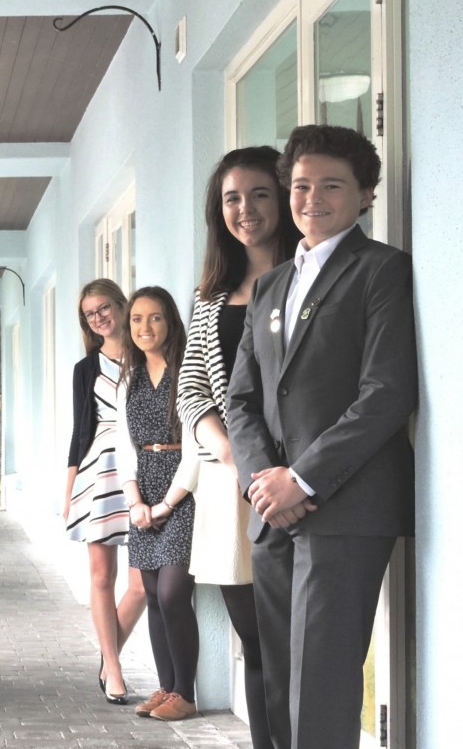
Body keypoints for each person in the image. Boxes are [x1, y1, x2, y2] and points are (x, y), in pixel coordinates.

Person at [227, 124, 416, 749]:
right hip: (273, 511)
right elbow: (242, 399)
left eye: (331, 185)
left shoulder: (382, 269)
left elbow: (385, 393)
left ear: (365, 194)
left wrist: (300, 478)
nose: (312, 199)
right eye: (300, 186)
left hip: (344, 507)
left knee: (325, 682)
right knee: (279, 680)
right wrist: (263, 481)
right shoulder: (271, 285)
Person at [176, 146, 300, 748]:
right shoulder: (209, 296)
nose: (245, 209)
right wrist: (230, 453)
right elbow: (191, 390)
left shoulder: (309, 274)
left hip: (304, 479)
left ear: (283, 198)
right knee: (255, 641)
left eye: (259, 194)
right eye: (231, 198)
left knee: (303, 643)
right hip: (233, 486)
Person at [115, 286, 200, 722]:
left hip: (183, 491)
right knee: (151, 593)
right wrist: (135, 502)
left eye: (155, 318)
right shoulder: (127, 379)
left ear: (170, 323)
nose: (145, 327)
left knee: (172, 593)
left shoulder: (187, 372)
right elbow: (122, 446)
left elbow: (197, 446)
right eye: (137, 319)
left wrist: (167, 503)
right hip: (141, 492)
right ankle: (166, 689)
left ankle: (185, 693)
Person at [60, 278, 146, 706]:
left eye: (103, 308)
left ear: (120, 304)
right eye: (89, 314)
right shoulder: (85, 368)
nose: (98, 318)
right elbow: (80, 432)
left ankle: (107, 654)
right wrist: (70, 490)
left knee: (143, 584)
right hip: (99, 474)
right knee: (100, 577)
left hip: (144, 470)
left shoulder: (148, 352)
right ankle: (113, 668)